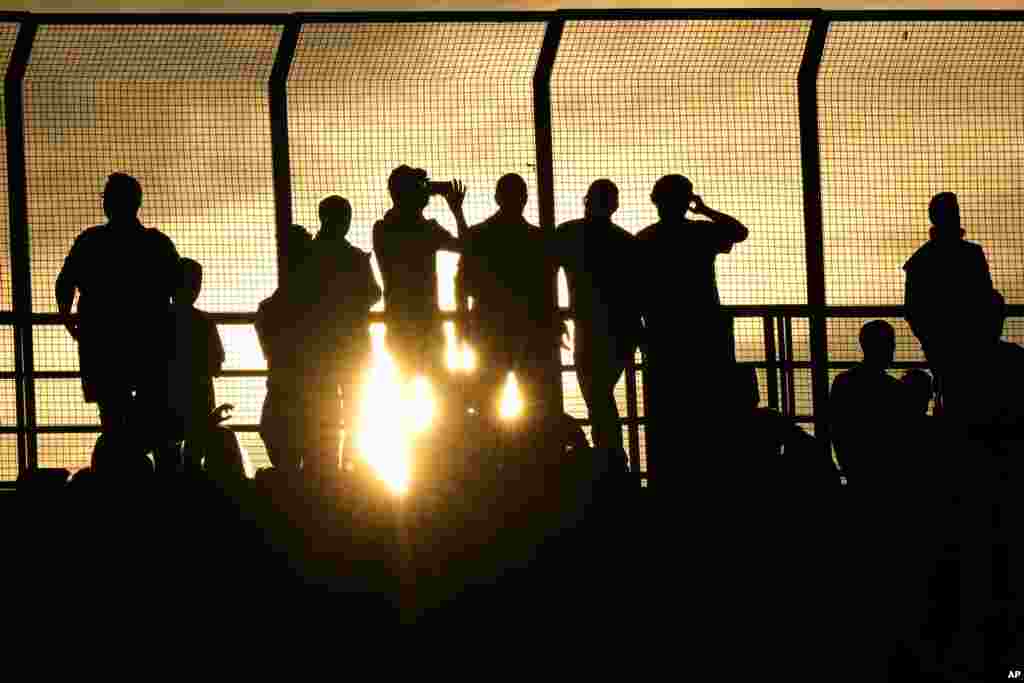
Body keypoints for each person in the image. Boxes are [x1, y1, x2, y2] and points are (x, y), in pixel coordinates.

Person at [637, 174, 749, 487]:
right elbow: (740, 232)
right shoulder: (701, 233)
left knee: (667, 418)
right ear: (687, 201)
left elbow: (633, 291)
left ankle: (669, 483)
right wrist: (705, 209)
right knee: (709, 416)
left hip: (664, 337)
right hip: (706, 336)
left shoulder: (645, 239)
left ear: (656, 201)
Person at [55, 172, 180, 448]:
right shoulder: (157, 243)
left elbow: (65, 283)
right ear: (137, 203)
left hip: (102, 344)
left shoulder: (90, 242)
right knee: (155, 417)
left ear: (108, 204)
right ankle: (160, 482)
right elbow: (179, 287)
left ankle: (120, 477)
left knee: (113, 418)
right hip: (149, 343)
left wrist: (69, 320)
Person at [457, 173, 562, 422]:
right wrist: (552, 323)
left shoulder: (479, 235)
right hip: (530, 331)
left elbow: (462, 283)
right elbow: (545, 287)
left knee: (487, 402)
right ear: (525, 199)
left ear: (496, 198)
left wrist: (464, 324)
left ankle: (494, 456)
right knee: (535, 403)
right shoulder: (538, 239)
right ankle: (531, 455)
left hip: (488, 329)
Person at [554, 179, 643, 470]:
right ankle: (613, 458)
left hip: (588, 329)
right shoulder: (627, 242)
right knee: (600, 396)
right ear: (614, 205)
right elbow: (636, 293)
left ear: (586, 200)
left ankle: (611, 458)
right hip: (621, 331)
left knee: (597, 396)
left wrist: (555, 315)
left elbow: (544, 274)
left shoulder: (568, 233)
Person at [305, 195, 382, 478]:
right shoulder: (355, 257)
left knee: (323, 409)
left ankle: (324, 468)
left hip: (319, 349)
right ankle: (352, 468)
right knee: (355, 409)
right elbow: (375, 293)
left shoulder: (308, 256)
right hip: (353, 347)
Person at [904, 192, 993, 420]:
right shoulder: (972, 255)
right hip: (973, 345)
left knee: (950, 399)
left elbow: (913, 310)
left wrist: (930, 340)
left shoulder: (921, 260)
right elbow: (986, 299)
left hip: (940, 346)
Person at [372, 166, 466, 379]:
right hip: (428, 326)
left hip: (399, 325)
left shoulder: (382, 228)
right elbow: (467, 247)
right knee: (441, 395)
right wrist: (457, 211)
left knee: (402, 392)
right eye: (420, 187)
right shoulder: (427, 230)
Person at [156, 257, 225, 475]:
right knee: (194, 459)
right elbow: (216, 366)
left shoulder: (158, 321)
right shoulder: (204, 322)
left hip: (164, 399)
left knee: (165, 461)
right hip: (198, 400)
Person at [256, 224, 315, 473]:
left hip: (281, 388)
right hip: (310, 390)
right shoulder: (317, 308)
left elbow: (270, 351)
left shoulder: (268, 309)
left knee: (281, 449)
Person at [829, 320, 912, 484]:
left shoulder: (843, 382)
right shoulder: (894, 389)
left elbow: (837, 429)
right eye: (891, 343)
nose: (894, 348)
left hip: (855, 469)